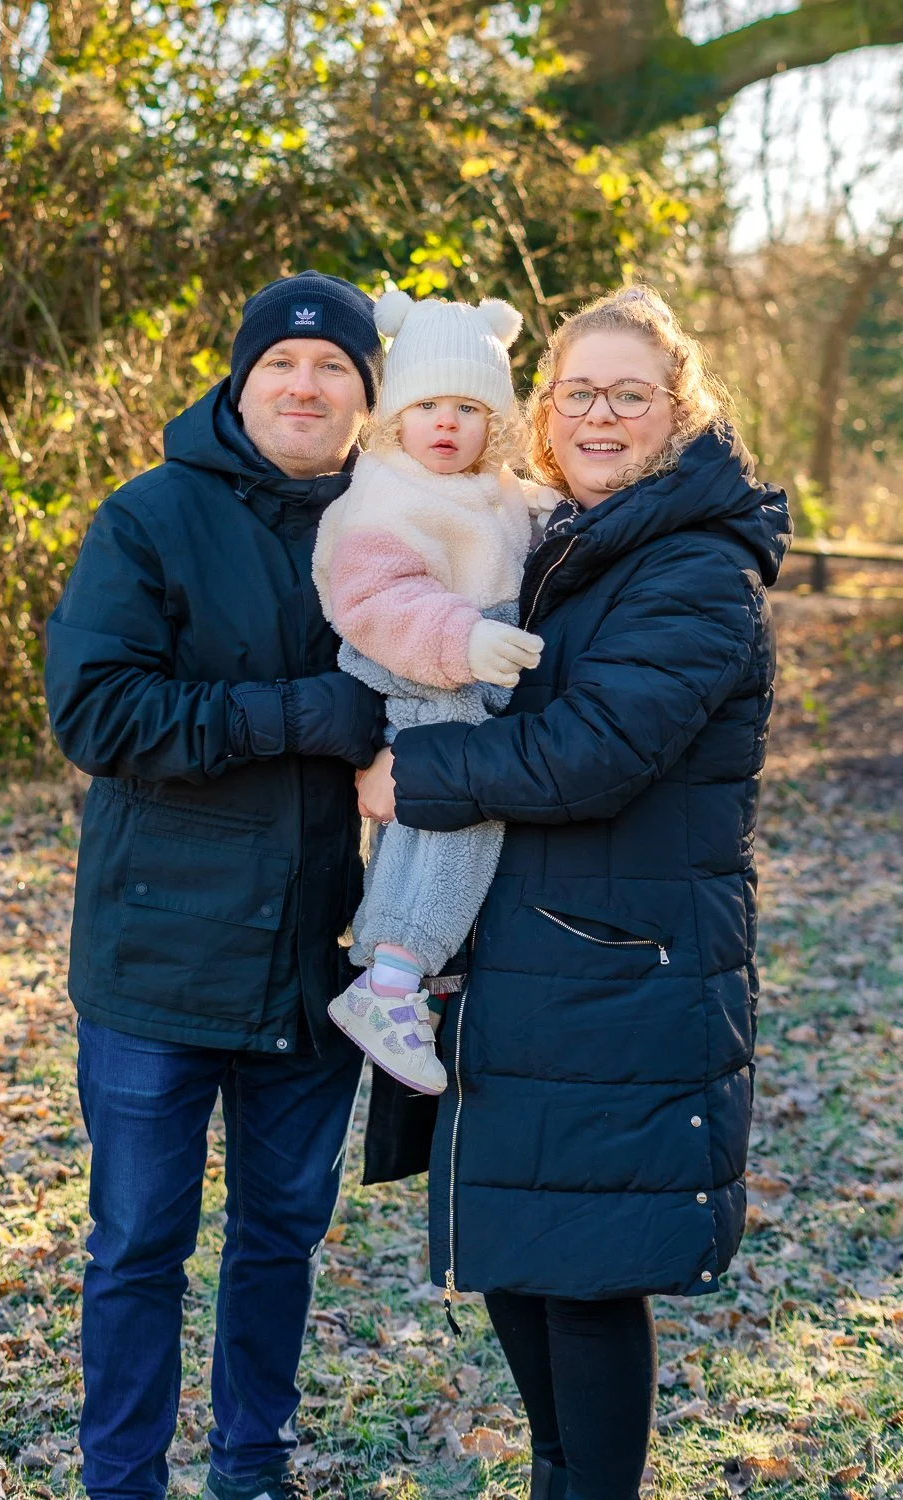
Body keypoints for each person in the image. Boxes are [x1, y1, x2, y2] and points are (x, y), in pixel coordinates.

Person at [356, 285, 792, 1500]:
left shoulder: (693, 574)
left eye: (629, 394)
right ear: (542, 410)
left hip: (616, 967)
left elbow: (593, 749)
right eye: (576, 391)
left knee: (582, 1275)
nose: (599, 414)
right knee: (520, 1255)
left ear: (677, 411)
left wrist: (414, 775)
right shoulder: (553, 541)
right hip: (525, 964)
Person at [44, 270, 386, 1500]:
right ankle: (121, 1479)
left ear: (365, 395)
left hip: (317, 957)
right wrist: (307, 714)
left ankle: (252, 1467)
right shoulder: (148, 517)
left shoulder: (400, 524)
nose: (305, 385)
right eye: (281, 365)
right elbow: (97, 711)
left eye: (333, 368)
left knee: (280, 1239)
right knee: (138, 1243)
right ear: (242, 383)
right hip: (157, 958)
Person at [312, 290, 551, 1095]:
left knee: (442, 830)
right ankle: (390, 981)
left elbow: (529, 528)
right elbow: (375, 601)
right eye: (427, 406)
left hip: (470, 681)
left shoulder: (497, 489)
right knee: (455, 824)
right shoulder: (387, 494)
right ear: (394, 417)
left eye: (468, 408)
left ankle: (403, 973)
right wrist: (464, 638)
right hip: (424, 676)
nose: (446, 424)